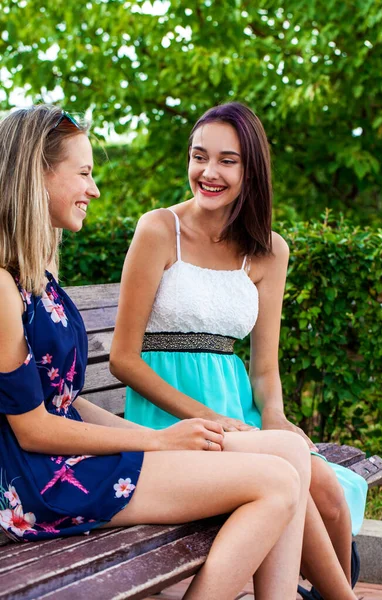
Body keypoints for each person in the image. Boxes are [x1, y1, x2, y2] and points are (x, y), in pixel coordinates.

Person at [0, 104, 314, 600]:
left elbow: (65, 400)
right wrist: (161, 442)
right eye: (83, 173)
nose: (94, 189)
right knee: (275, 482)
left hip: (67, 462)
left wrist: (153, 436)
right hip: (42, 482)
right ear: (36, 176)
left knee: (287, 459)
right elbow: (34, 428)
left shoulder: (35, 279)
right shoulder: (2, 287)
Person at [111, 102, 365, 600]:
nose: (208, 172)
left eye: (227, 160)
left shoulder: (269, 250)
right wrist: (212, 420)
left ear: (251, 170)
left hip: (240, 416)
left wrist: (275, 416)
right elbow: (123, 358)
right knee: (299, 481)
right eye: (199, 156)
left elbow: (265, 370)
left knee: (331, 494)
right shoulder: (159, 230)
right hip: (175, 421)